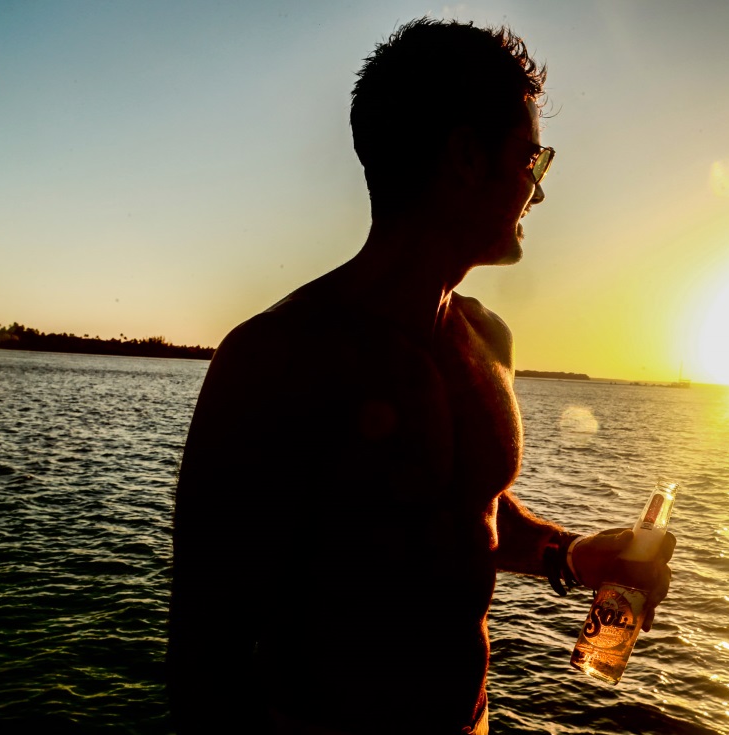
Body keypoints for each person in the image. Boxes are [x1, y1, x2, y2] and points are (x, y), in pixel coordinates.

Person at [168, 18, 674, 735]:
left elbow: (465, 511)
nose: (538, 192)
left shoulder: (485, 340)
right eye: (532, 161)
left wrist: (567, 551)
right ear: (467, 156)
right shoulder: (275, 359)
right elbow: (203, 663)